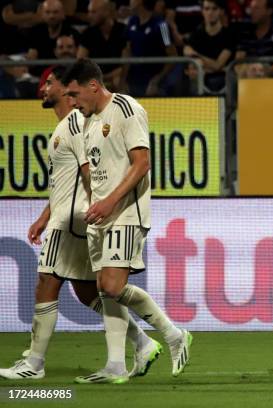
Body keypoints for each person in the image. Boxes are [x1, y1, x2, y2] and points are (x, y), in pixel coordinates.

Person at [0, 65, 159, 380]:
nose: (45, 88)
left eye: (52, 83)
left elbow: (90, 171)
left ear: (66, 88)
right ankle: (142, 342)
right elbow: (64, 180)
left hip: (73, 220)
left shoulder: (75, 122)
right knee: (89, 293)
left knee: (47, 281)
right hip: (69, 217)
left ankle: (34, 363)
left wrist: (98, 209)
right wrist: (44, 216)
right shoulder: (65, 126)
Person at [62, 59, 192, 384]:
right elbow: (96, 172)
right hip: (100, 216)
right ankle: (116, 365)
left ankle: (173, 334)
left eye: (75, 94)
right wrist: (92, 203)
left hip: (126, 213)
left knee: (111, 285)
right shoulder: (89, 124)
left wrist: (109, 202)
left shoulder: (126, 108)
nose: (73, 103)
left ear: (93, 85)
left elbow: (142, 163)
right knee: (105, 293)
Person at [125, 0, 177, 96]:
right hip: (133, 80)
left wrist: (156, 80)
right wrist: (122, 80)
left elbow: (173, 56)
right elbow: (127, 52)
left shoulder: (161, 26)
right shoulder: (132, 21)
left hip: (154, 82)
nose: (130, 1)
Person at [183, 0, 234, 92]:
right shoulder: (196, 35)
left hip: (223, 80)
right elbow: (192, 63)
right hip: (200, 78)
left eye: (214, 9)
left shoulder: (229, 35)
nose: (210, 13)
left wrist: (196, 55)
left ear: (221, 11)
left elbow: (217, 65)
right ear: (202, 11)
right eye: (207, 9)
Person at [77, 0, 129, 91]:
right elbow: (81, 62)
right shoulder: (88, 33)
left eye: (93, 12)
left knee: (120, 83)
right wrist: (102, 78)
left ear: (106, 12)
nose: (89, 16)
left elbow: (126, 62)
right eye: (89, 12)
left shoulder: (123, 30)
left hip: (118, 79)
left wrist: (113, 77)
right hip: (95, 80)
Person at [235, 0, 273, 77]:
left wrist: (263, 74)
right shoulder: (245, 31)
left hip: (270, 74)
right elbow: (239, 60)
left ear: (269, 11)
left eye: (256, 8)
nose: (251, 12)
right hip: (248, 74)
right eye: (251, 8)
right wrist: (245, 73)